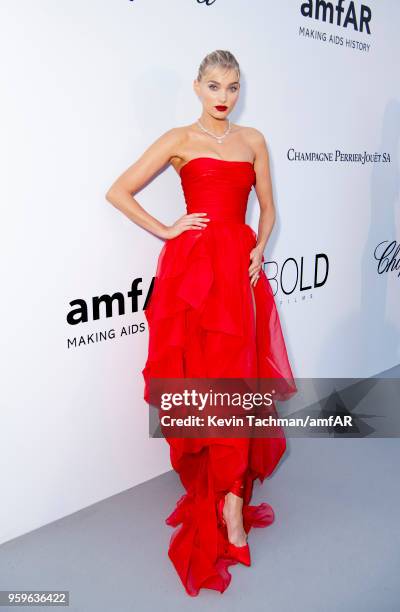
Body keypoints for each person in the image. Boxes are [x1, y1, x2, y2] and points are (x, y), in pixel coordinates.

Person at [105, 49, 296, 597]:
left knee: (238, 386)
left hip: (239, 271)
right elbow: (118, 191)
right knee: (205, 385)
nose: (224, 95)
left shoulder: (254, 140)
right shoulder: (178, 139)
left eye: (233, 86)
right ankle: (216, 487)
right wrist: (167, 229)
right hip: (195, 275)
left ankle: (233, 504)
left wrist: (260, 244)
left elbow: (268, 205)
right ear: (197, 87)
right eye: (214, 84)